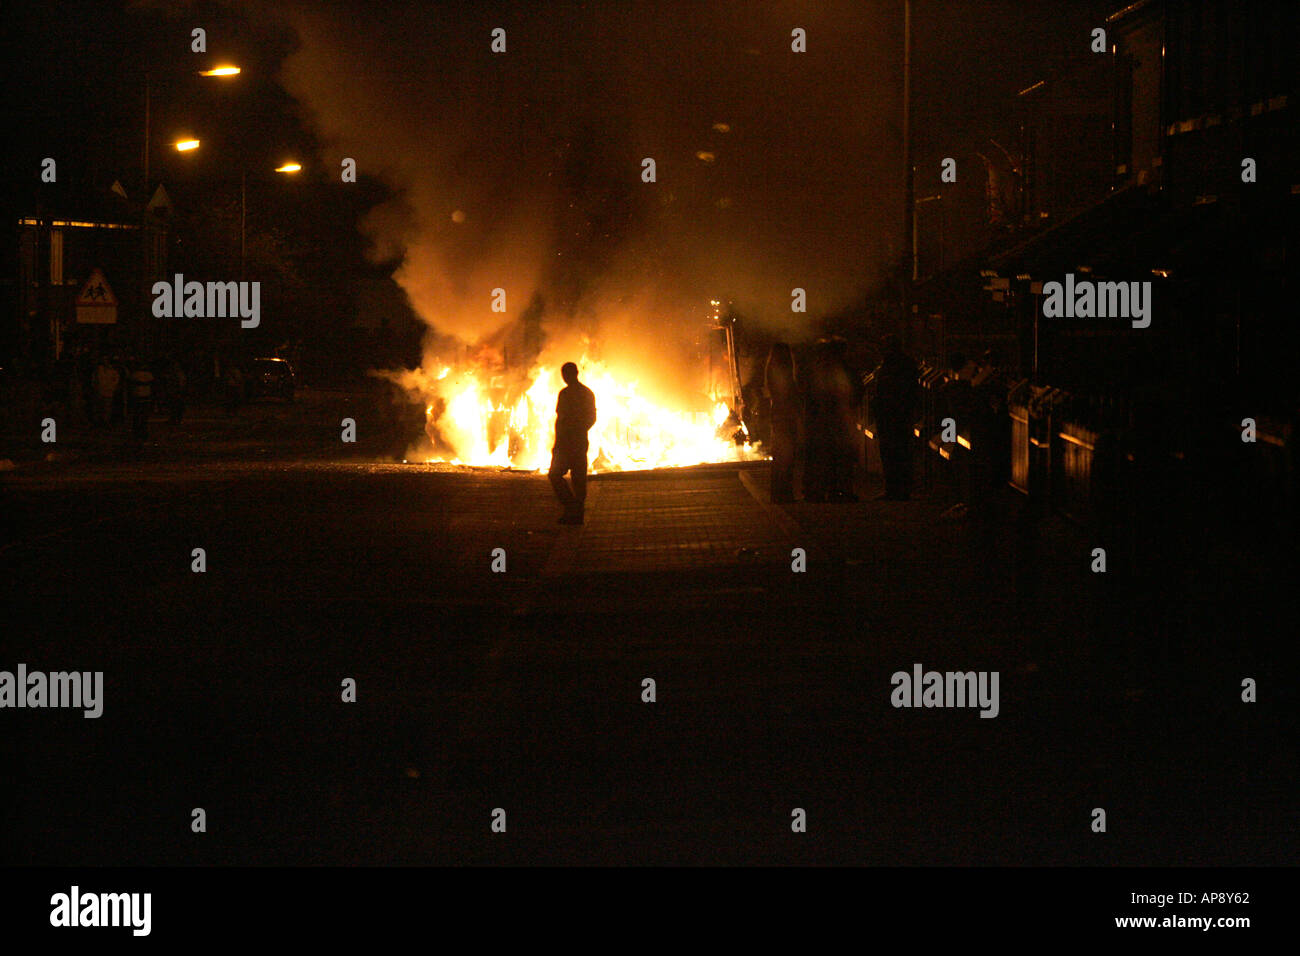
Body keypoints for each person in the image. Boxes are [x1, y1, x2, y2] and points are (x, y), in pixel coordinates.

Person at [871, 334, 919, 500]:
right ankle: (902, 489)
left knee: (890, 453)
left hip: (890, 415)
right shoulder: (908, 364)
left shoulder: (888, 366)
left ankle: (893, 489)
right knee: (902, 452)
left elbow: (884, 391)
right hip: (902, 415)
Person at [548, 361, 597, 524]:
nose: (565, 377)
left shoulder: (572, 394)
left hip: (571, 442)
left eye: (566, 374)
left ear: (574, 374)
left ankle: (574, 512)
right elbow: (589, 418)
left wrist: (575, 431)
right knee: (573, 478)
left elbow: (564, 420)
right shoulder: (579, 393)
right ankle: (574, 509)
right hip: (573, 442)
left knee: (564, 476)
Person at [764, 343, 800, 503]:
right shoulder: (784, 375)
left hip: (778, 416)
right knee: (786, 457)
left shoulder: (771, 372)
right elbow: (791, 395)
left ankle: (778, 493)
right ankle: (785, 494)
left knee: (779, 457)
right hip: (785, 418)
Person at [127, 359, 155, 442]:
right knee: (141, 416)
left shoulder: (136, 375)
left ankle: (139, 432)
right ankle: (140, 432)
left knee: (139, 415)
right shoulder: (143, 375)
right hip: (142, 396)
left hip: (141, 396)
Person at [93, 356, 119, 427]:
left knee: (106, 407)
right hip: (100, 390)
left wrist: (112, 387)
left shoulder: (113, 371)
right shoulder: (99, 370)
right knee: (99, 407)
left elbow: (116, 380)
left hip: (108, 391)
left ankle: (105, 421)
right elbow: (95, 380)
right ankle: (98, 421)